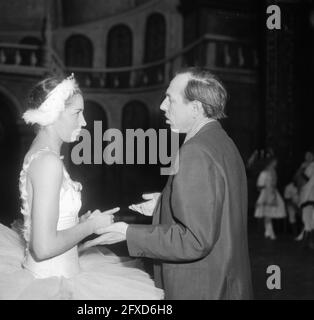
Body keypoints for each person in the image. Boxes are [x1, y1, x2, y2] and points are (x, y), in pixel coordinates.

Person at [0, 74, 164, 300]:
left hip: (60, 274)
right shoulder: (48, 162)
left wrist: (80, 222)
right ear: (52, 113)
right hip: (51, 284)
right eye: (77, 113)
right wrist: (91, 226)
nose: (84, 122)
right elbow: (43, 247)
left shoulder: (43, 155)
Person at [84, 67, 253, 300]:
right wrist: (165, 203)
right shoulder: (222, 142)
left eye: (170, 99)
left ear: (195, 108)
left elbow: (195, 240)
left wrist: (128, 232)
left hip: (201, 288)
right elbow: (216, 208)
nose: (162, 106)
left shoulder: (196, 152)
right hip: (225, 281)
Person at [254, 157, 286, 239]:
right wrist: (266, 188)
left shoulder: (273, 172)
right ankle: (269, 232)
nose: (275, 164)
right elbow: (260, 185)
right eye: (274, 162)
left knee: (269, 213)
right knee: (267, 213)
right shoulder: (264, 173)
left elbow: (274, 183)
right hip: (266, 193)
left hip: (272, 192)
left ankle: (268, 232)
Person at [298, 160, 314, 248]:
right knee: (308, 221)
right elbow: (305, 179)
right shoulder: (311, 166)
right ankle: (307, 242)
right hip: (308, 199)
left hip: (309, 198)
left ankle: (307, 242)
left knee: (310, 222)